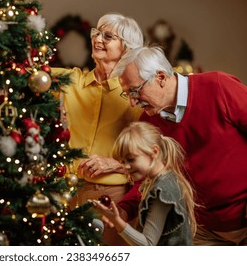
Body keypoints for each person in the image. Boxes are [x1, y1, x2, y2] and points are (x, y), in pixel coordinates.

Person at [113, 45, 247, 245]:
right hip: (201, 229)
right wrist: (125, 209)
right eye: (127, 94)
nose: (132, 102)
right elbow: (148, 178)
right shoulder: (148, 123)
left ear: (160, 77)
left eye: (135, 91)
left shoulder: (218, 86)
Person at [51, 13, 144, 245]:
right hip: (65, 192)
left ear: (127, 48)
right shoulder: (71, 80)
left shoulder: (136, 94)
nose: (97, 39)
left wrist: (118, 164)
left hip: (112, 196)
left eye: (108, 36)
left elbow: (155, 152)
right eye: (96, 32)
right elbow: (27, 73)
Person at [93, 121, 196, 245]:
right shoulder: (161, 179)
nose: (125, 166)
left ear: (154, 152)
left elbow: (147, 244)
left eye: (131, 159)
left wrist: (116, 221)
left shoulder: (162, 191)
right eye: (122, 161)